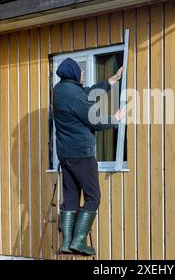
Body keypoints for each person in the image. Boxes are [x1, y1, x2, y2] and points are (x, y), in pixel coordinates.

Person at [53, 58, 125, 256]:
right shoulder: (74, 96)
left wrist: (110, 81)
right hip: (82, 155)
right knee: (93, 197)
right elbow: (95, 121)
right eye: (81, 71)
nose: (84, 74)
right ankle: (79, 241)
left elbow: (87, 94)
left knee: (71, 198)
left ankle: (67, 243)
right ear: (74, 73)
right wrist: (115, 119)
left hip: (65, 155)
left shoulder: (60, 91)